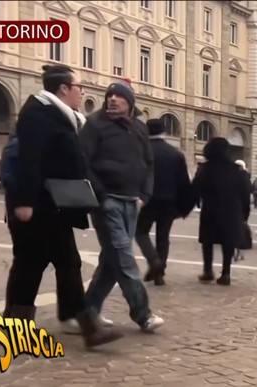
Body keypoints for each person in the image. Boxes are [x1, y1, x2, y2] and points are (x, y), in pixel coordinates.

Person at [2, 64, 122, 347]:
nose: (82, 93)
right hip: (38, 204)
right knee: (30, 264)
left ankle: (84, 324)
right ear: (64, 89)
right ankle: (17, 323)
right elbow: (31, 159)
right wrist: (24, 202)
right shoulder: (37, 114)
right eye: (79, 87)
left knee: (68, 263)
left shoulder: (60, 116)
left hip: (54, 204)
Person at [79, 81, 163, 332]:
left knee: (111, 260)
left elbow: (148, 163)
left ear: (129, 101)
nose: (113, 99)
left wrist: (144, 195)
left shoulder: (138, 127)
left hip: (132, 202)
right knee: (124, 258)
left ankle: (88, 312)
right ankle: (143, 314)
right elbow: (82, 162)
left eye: (119, 96)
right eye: (109, 95)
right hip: (108, 203)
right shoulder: (95, 124)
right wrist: (101, 195)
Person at [136, 119, 194, 286]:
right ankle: (160, 273)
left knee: (141, 232)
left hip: (147, 201)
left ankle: (153, 260)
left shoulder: (142, 151)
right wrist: (184, 207)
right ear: (164, 131)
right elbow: (184, 183)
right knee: (163, 236)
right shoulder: (175, 154)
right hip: (169, 202)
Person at [192, 138, 251, 285]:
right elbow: (245, 194)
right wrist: (244, 214)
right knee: (228, 242)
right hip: (231, 212)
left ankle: (208, 270)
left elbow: (195, 189)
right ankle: (226, 273)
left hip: (210, 210)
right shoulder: (237, 171)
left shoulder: (205, 169)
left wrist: (190, 204)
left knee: (208, 241)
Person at [234, 160, 251, 261]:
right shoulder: (245, 177)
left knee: (238, 228)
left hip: (238, 206)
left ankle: (240, 249)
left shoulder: (241, 177)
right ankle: (241, 249)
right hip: (242, 206)